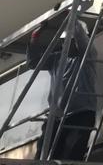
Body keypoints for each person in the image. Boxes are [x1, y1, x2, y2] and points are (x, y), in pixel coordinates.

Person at [27, 19, 97, 161]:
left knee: (71, 155)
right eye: (65, 41)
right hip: (57, 115)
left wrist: (72, 17)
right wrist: (35, 37)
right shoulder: (56, 59)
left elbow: (81, 38)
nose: (67, 44)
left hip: (81, 114)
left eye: (71, 41)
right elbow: (33, 63)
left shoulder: (87, 56)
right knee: (43, 155)